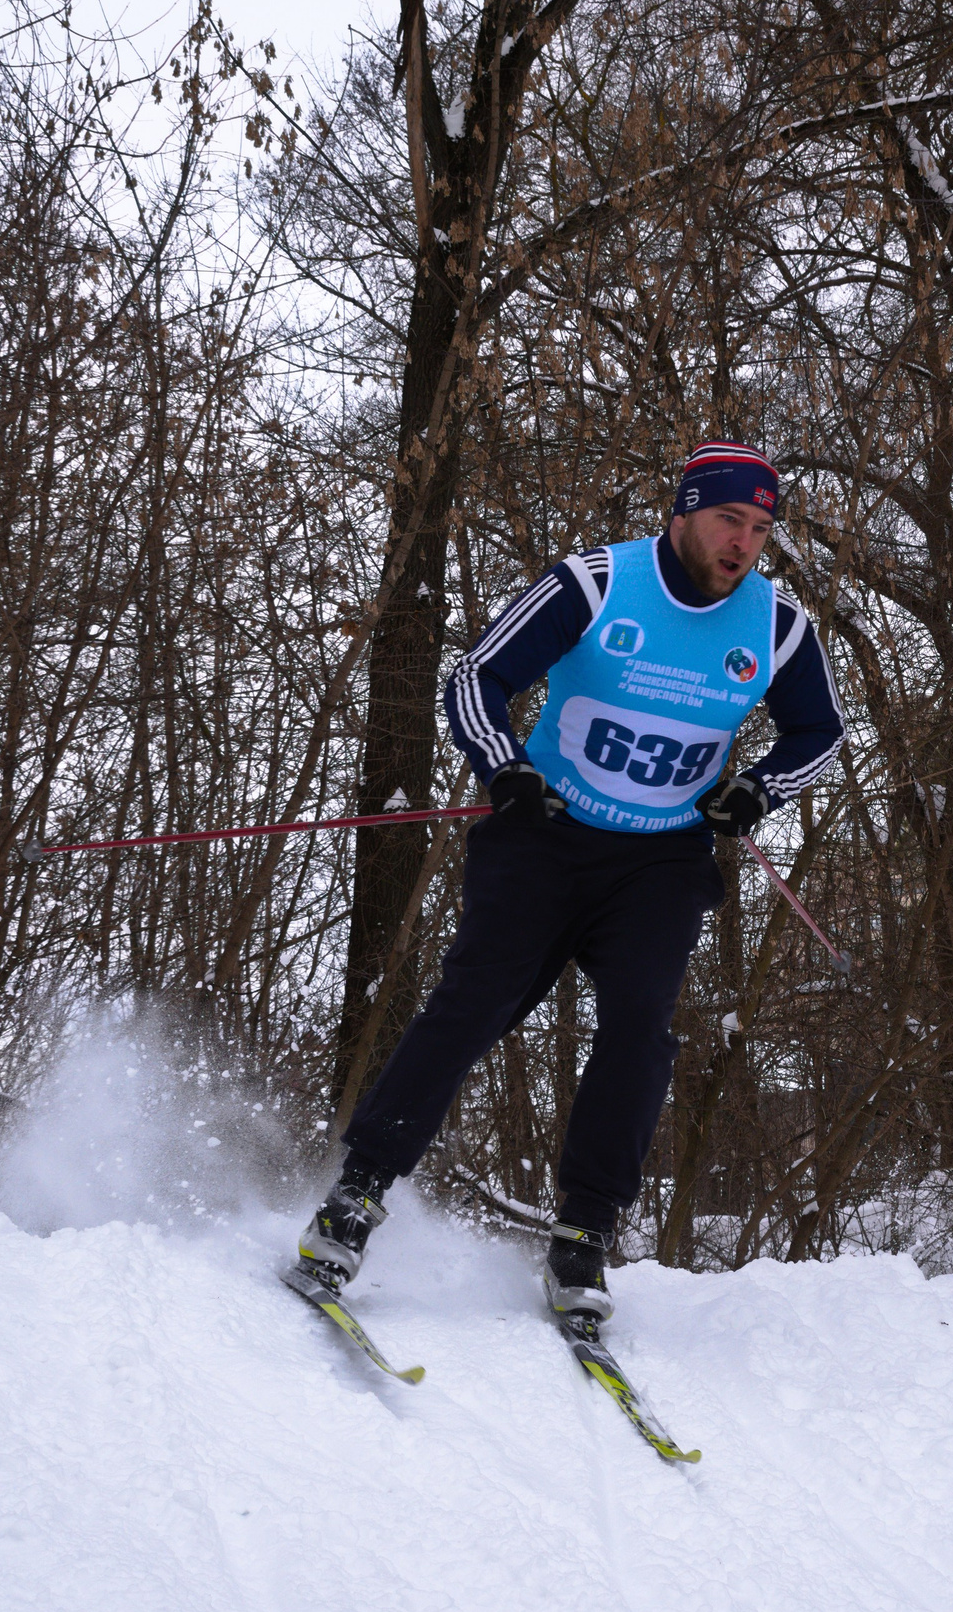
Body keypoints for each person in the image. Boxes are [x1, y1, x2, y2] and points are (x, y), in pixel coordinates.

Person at [296, 440, 845, 1320]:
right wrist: (502, 767)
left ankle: (584, 1235)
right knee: (475, 1002)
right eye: (727, 519)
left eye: (759, 527)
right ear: (684, 512)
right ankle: (357, 1192)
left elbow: (820, 734)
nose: (743, 542)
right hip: (547, 836)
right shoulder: (597, 584)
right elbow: (478, 675)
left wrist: (757, 790)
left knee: (640, 1026)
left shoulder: (776, 627)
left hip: (662, 861)